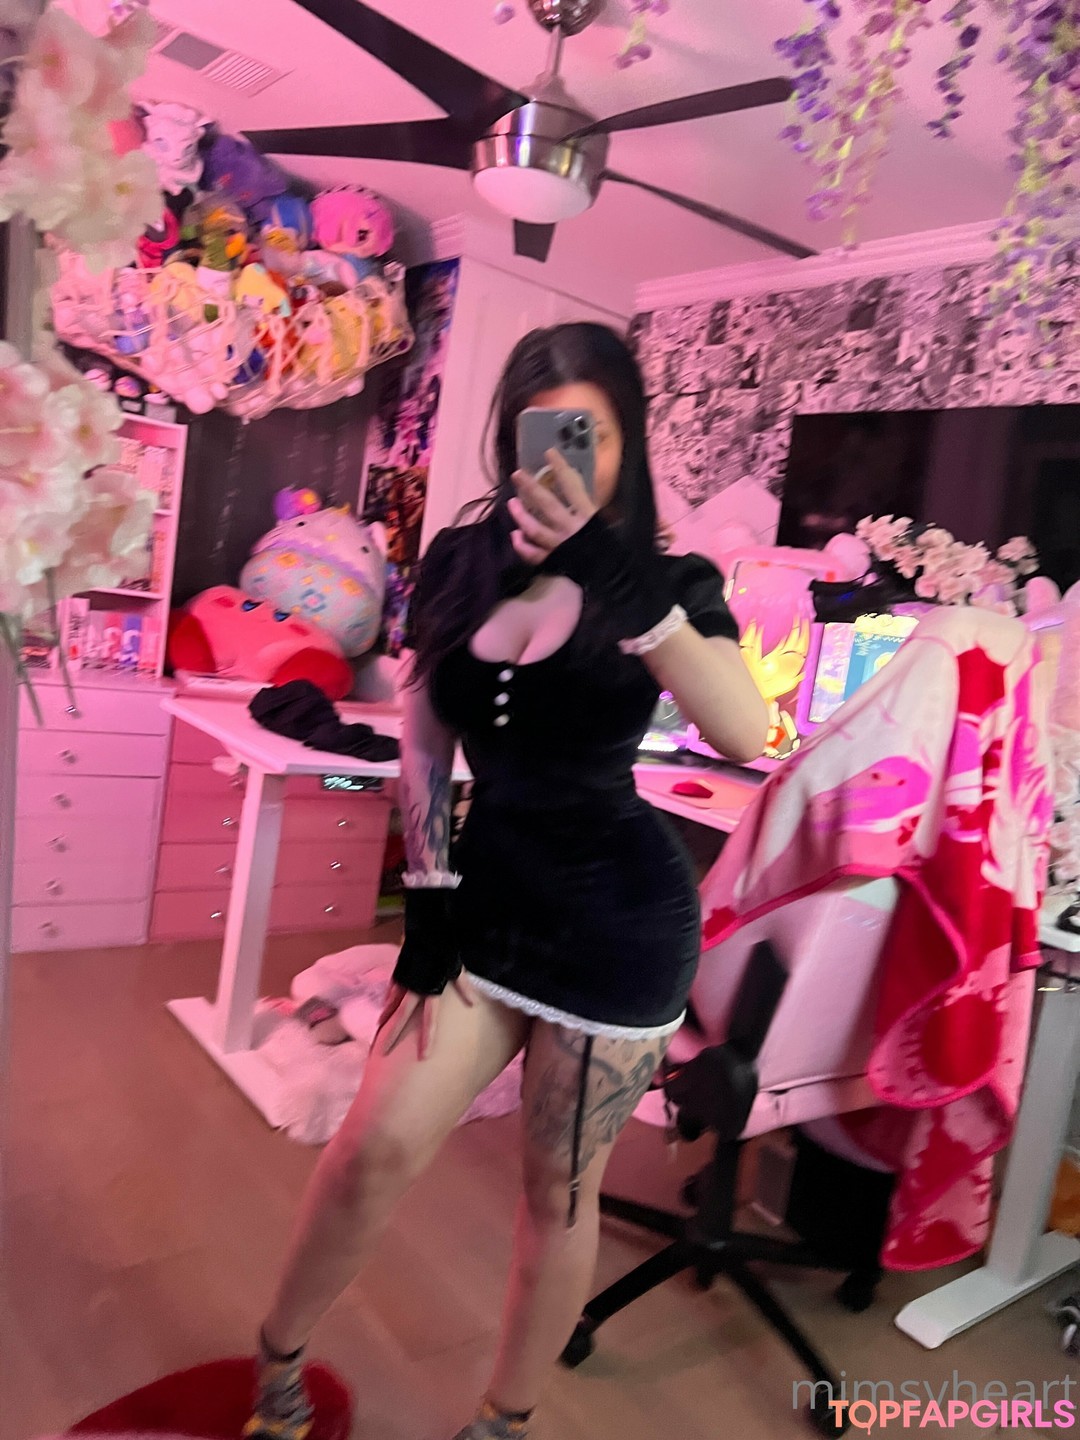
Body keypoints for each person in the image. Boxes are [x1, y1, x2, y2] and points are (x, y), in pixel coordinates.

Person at [245, 322, 769, 1440]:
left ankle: (502, 1423)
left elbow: (743, 728)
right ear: (509, 441)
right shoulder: (461, 561)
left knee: (557, 1196)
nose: (569, 459)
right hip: (483, 900)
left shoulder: (670, 582)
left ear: (631, 442)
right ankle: (276, 1361)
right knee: (374, 1145)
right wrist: (428, 896)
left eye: (595, 435)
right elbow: (425, 737)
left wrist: (621, 580)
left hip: (618, 927)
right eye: (546, 434)